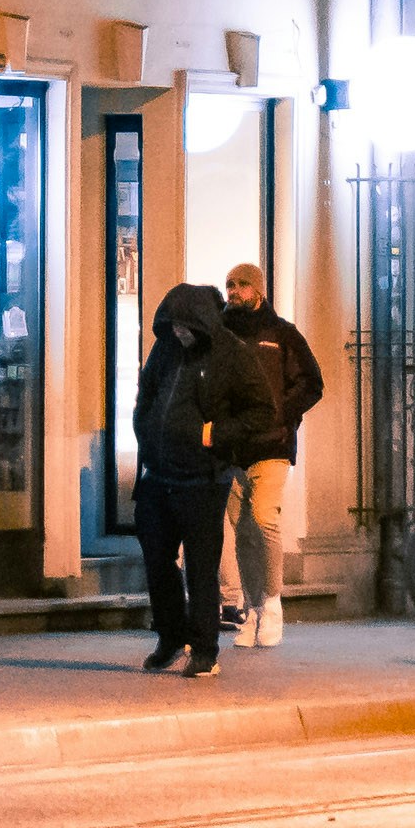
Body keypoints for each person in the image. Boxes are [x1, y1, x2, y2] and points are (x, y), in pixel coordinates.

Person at [132, 281, 275, 678]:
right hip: (157, 476)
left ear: (200, 322)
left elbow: (262, 412)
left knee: (201, 566)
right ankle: (171, 638)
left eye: (184, 326)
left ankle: (205, 650)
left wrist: (215, 435)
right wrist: (144, 428)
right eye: (172, 325)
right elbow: (147, 393)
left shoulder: (232, 354)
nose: (178, 332)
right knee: (157, 561)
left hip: (203, 478)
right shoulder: (165, 350)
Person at [218, 265, 325, 648]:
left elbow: (312, 383)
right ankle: (251, 609)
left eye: (242, 285)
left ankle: (274, 603)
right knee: (241, 531)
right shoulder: (221, 334)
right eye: (229, 284)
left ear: (258, 291)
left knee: (263, 518)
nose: (233, 291)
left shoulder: (282, 334)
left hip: (272, 446)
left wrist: (282, 415)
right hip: (232, 448)